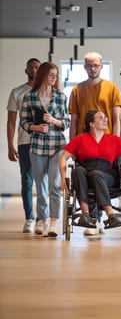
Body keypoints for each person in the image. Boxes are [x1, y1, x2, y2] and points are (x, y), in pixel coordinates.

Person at [68, 51, 121, 235]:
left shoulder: (112, 88)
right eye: (89, 65)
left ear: (101, 66)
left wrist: (115, 144)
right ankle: (93, 219)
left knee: (97, 174)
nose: (93, 68)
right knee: (83, 174)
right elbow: (74, 121)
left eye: (96, 65)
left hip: (106, 145)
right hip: (85, 144)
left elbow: (117, 119)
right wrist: (72, 147)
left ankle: (97, 218)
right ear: (84, 67)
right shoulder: (77, 90)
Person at [59, 110, 121, 229]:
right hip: (85, 174)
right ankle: (85, 215)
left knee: (96, 174)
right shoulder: (80, 138)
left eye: (105, 117)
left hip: (108, 175)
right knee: (78, 170)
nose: (105, 119)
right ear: (91, 124)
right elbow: (62, 158)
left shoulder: (114, 139)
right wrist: (63, 178)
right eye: (101, 118)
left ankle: (110, 215)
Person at [20, 62, 70, 238]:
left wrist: (54, 121)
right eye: (51, 74)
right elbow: (24, 122)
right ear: (42, 75)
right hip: (36, 147)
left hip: (57, 146)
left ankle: (54, 221)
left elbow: (66, 122)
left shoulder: (61, 97)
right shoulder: (29, 97)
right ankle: (42, 220)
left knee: (55, 184)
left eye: (56, 75)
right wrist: (36, 127)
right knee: (39, 186)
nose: (54, 78)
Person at [7, 58, 41, 233]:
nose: (35, 70)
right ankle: (29, 218)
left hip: (44, 142)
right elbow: (11, 122)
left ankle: (43, 218)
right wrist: (10, 146)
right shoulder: (17, 92)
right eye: (31, 68)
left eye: (37, 67)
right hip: (24, 142)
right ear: (26, 70)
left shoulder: (47, 90)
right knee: (27, 181)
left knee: (44, 181)